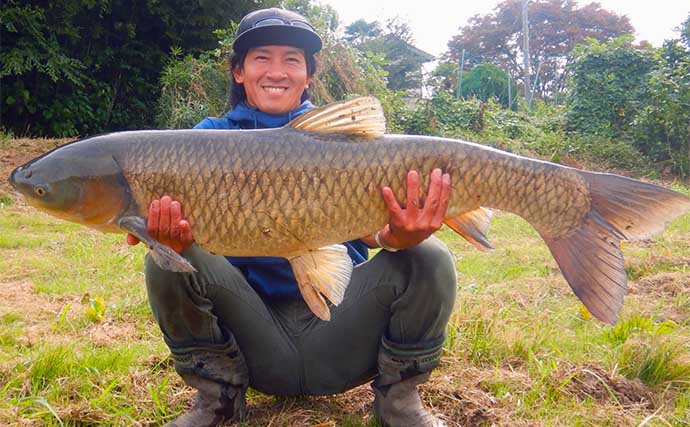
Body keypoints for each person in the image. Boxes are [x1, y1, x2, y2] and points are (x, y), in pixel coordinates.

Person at [127, 8, 456, 427]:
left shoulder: (345, 141)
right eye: (262, 57)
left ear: (309, 74)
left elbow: (374, 236)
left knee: (430, 255)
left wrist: (400, 235)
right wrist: (167, 236)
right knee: (166, 258)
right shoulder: (204, 141)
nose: (276, 71)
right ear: (239, 72)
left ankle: (399, 403)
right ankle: (217, 401)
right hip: (253, 342)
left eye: (291, 59)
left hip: (343, 336)